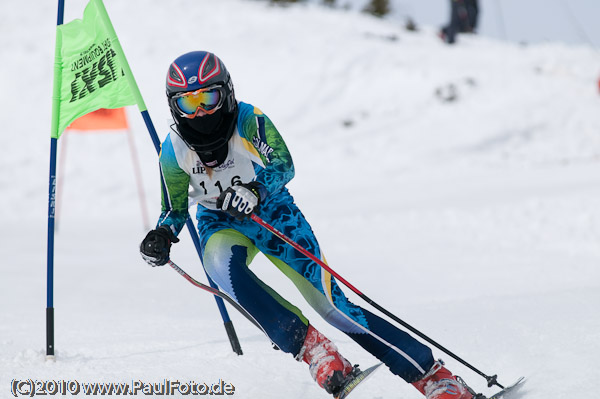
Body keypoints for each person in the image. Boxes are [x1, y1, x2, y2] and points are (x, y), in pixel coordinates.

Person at [139, 50, 474, 399]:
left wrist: (256, 189)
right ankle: (314, 350)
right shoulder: (172, 151)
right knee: (218, 267)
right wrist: (161, 236)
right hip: (220, 221)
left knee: (333, 307)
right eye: (188, 104)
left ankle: (434, 377)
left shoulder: (248, 120)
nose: (200, 113)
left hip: (272, 213)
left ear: (227, 92)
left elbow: (284, 165)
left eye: (209, 98)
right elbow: (174, 211)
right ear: (173, 106)